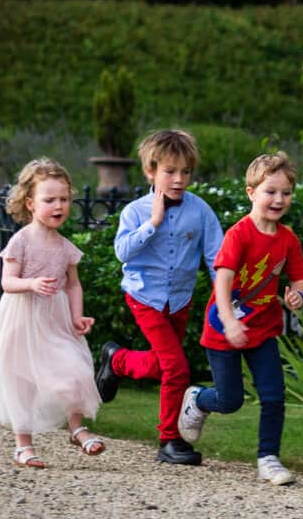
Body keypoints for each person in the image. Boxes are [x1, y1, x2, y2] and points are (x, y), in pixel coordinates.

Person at [178, 152, 303, 485]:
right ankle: (197, 399)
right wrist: (230, 321)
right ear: (251, 192)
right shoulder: (239, 235)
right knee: (230, 400)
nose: (279, 199)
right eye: (270, 192)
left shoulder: (288, 239)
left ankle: (268, 459)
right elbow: (221, 281)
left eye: (286, 193)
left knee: (274, 394)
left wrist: (298, 295)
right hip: (225, 329)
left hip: (263, 330)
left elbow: (299, 278)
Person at [94, 129, 223, 466]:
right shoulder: (135, 212)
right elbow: (122, 251)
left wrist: (224, 296)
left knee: (163, 365)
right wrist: (153, 222)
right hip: (145, 298)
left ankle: (117, 360)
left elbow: (216, 258)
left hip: (179, 300)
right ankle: (170, 440)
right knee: (177, 367)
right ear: (150, 172)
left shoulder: (201, 212)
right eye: (170, 171)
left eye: (186, 172)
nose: (179, 179)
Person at [0, 158, 106, 467]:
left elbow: (73, 285)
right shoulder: (21, 241)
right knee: (21, 381)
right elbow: (7, 281)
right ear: (30, 203)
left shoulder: (66, 247)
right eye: (49, 199)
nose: (59, 206)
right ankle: (23, 445)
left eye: (64, 199)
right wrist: (31, 283)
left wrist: (77, 316)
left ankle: (77, 427)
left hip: (56, 319)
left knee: (75, 370)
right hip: (22, 318)